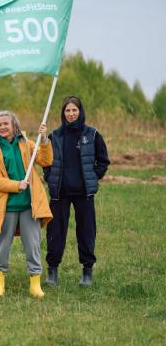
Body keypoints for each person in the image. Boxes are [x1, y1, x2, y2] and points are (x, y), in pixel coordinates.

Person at [43, 96, 110, 286]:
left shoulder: (93, 134)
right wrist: (49, 177)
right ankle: (52, 272)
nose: (71, 114)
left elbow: (103, 161)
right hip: (60, 193)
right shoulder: (54, 136)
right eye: (67, 111)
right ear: (63, 113)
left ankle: (87, 272)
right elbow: (46, 161)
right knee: (55, 232)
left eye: (74, 110)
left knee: (86, 232)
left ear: (80, 112)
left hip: (84, 194)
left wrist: (92, 177)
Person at [0, 112, 53, 298]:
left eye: (5, 124)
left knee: (32, 245)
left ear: (14, 125)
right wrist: (17, 185)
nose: (2, 127)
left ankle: (35, 283)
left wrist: (45, 139)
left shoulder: (27, 144)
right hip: (6, 206)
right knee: (2, 245)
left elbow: (46, 160)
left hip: (29, 206)